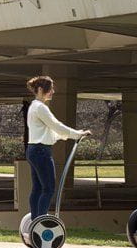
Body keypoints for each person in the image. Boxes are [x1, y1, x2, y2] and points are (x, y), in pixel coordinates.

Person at [25, 76, 91, 220]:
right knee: (48, 188)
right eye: (50, 89)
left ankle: (35, 220)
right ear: (41, 90)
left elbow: (51, 133)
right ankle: (40, 221)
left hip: (33, 150)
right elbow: (57, 126)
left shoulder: (33, 107)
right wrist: (76, 134)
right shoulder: (41, 108)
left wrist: (74, 134)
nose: (53, 92)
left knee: (37, 188)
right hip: (42, 151)